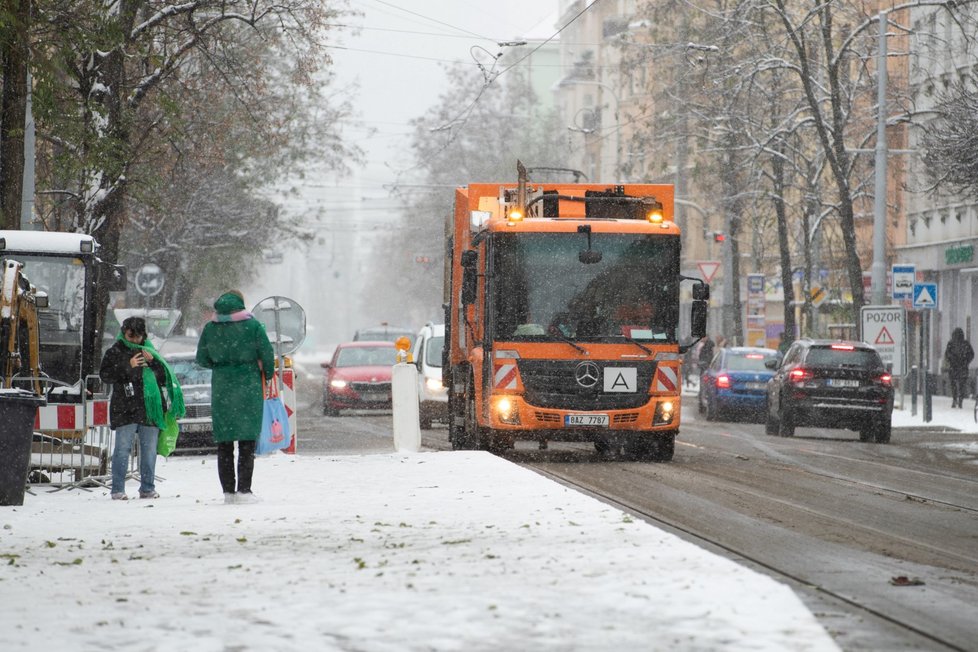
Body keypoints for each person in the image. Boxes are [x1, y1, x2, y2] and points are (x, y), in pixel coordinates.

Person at [196, 290, 274, 504]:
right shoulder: (253, 326)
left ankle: (228, 492)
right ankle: (244, 491)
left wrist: (221, 366)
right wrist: (266, 374)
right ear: (240, 306)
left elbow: (201, 358)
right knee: (247, 442)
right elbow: (267, 355)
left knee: (224, 443)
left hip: (222, 388)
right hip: (248, 385)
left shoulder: (210, 329)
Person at [99, 316, 184, 500]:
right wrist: (127, 367)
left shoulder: (150, 351)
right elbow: (105, 375)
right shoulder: (115, 351)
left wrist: (153, 363)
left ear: (144, 335)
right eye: (131, 336)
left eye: (138, 337)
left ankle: (147, 488)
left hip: (149, 409)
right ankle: (118, 489)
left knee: (149, 451)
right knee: (122, 449)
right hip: (125, 408)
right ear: (124, 333)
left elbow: (164, 378)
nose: (135, 340)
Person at [944, 327, 974, 408]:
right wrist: (966, 361)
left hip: (953, 368)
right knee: (962, 386)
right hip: (963, 368)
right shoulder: (966, 344)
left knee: (954, 385)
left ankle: (955, 399)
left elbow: (947, 354)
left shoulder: (951, 343)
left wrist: (951, 360)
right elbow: (971, 354)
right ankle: (960, 400)